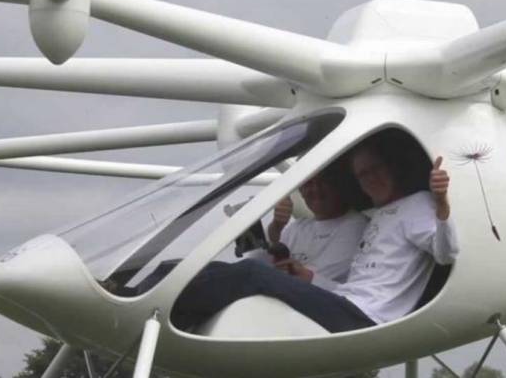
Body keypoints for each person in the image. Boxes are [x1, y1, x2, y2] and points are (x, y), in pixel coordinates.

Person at [171, 135, 458, 332]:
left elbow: (446, 254)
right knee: (207, 268)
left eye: (375, 169)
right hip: (347, 304)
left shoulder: (417, 204)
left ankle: (169, 314)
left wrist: (443, 205)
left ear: (392, 168)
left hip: (365, 317)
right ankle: (169, 290)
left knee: (251, 273)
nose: (370, 179)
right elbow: (355, 286)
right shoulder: (380, 216)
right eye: (362, 175)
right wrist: (309, 278)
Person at [256, 165, 368, 290]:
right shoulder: (297, 227)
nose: (316, 189)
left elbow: (304, 279)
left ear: (339, 184)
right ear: (301, 191)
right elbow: (261, 260)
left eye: (323, 181)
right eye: (308, 183)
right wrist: (276, 226)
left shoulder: (356, 226)